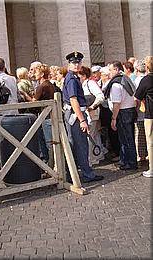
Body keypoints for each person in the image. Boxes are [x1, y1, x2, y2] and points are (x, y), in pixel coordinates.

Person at [62, 51, 104, 183]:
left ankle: (72, 174)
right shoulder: (72, 79)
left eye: (78, 62)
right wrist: (82, 120)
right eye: (74, 62)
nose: (77, 64)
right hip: (76, 115)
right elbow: (73, 100)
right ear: (69, 64)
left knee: (75, 144)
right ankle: (87, 174)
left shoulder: (72, 77)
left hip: (74, 114)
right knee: (80, 145)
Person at [105, 61, 137, 170]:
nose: (109, 72)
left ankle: (131, 162)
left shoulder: (116, 84)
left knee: (126, 139)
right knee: (126, 138)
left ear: (117, 70)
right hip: (129, 110)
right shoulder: (125, 78)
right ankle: (124, 160)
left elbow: (116, 103)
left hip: (123, 112)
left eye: (110, 70)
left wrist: (113, 118)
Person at [78, 66, 105, 166]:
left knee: (90, 136)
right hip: (90, 114)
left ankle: (91, 159)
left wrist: (92, 106)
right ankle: (98, 155)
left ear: (84, 76)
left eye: (79, 75)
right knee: (94, 135)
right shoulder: (83, 84)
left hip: (92, 114)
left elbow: (100, 96)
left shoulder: (90, 83)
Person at [134, 56, 153, 177]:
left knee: (151, 142)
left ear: (147, 67)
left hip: (150, 114)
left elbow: (137, 97)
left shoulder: (146, 80)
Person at [134, 60, 148, 165]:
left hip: (141, 112)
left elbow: (137, 98)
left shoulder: (137, 81)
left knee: (140, 135)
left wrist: (135, 109)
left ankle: (142, 156)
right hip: (149, 111)